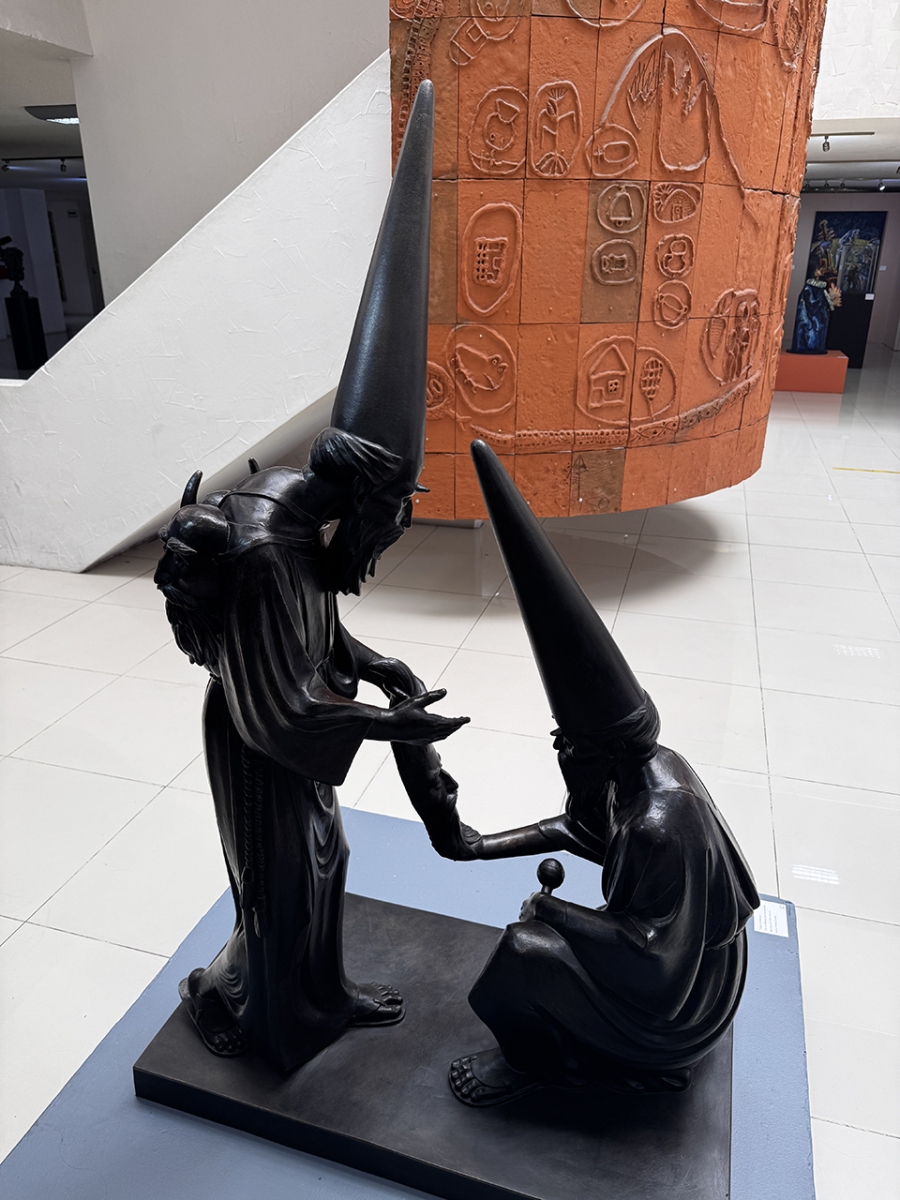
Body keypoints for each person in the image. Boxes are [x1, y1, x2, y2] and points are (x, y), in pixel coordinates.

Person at [154, 82, 469, 1076]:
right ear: (362, 497)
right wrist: (388, 727)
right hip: (260, 743)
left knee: (326, 865)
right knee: (281, 886)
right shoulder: (260, 550)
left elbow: (317, 630)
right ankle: (249, 1014)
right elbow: (283, 703)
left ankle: (321, 999)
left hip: (286, 724)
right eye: (391, 517)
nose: (386, 540)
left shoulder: (295, 516)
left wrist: (376, 667)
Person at [393, 441, 759, 1106]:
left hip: (683, 1007)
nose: (560, 752)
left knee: (524, 952)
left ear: (602, 749)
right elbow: (576, 828)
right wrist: (478, 845)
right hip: (684, 970)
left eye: (569, 744)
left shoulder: (659, 823)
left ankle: (541, 1065)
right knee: (540, 936)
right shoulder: (638, 773)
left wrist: (554, 912)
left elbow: (655, 963)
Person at [790, 263, 841, 354]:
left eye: (823, 269)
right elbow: (811, 303)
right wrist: (828, 301)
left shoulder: (821, 288)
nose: (822, 271)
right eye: (819, 269)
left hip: (819, 318)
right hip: (809, 319)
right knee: (809, 333)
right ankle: (806, 346)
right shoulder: (809, 288)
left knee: (817, 332)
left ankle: (815, 347)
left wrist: (830, 301)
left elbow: (822, 301)